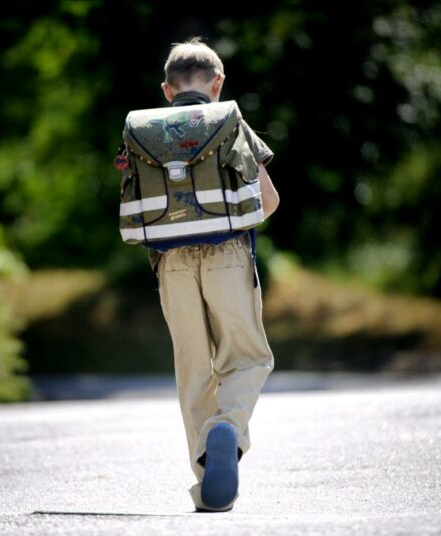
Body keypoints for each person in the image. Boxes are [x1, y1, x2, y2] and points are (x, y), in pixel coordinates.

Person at [121, 37, 279, 512]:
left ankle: (207, 481)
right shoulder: (229, 121)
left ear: (167, 90)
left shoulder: (144, 131)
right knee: (248, 357)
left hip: (171, 264)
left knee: (193, 373)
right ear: (218, 83)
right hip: (228, 254)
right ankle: (227, 427)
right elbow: (267, 201)